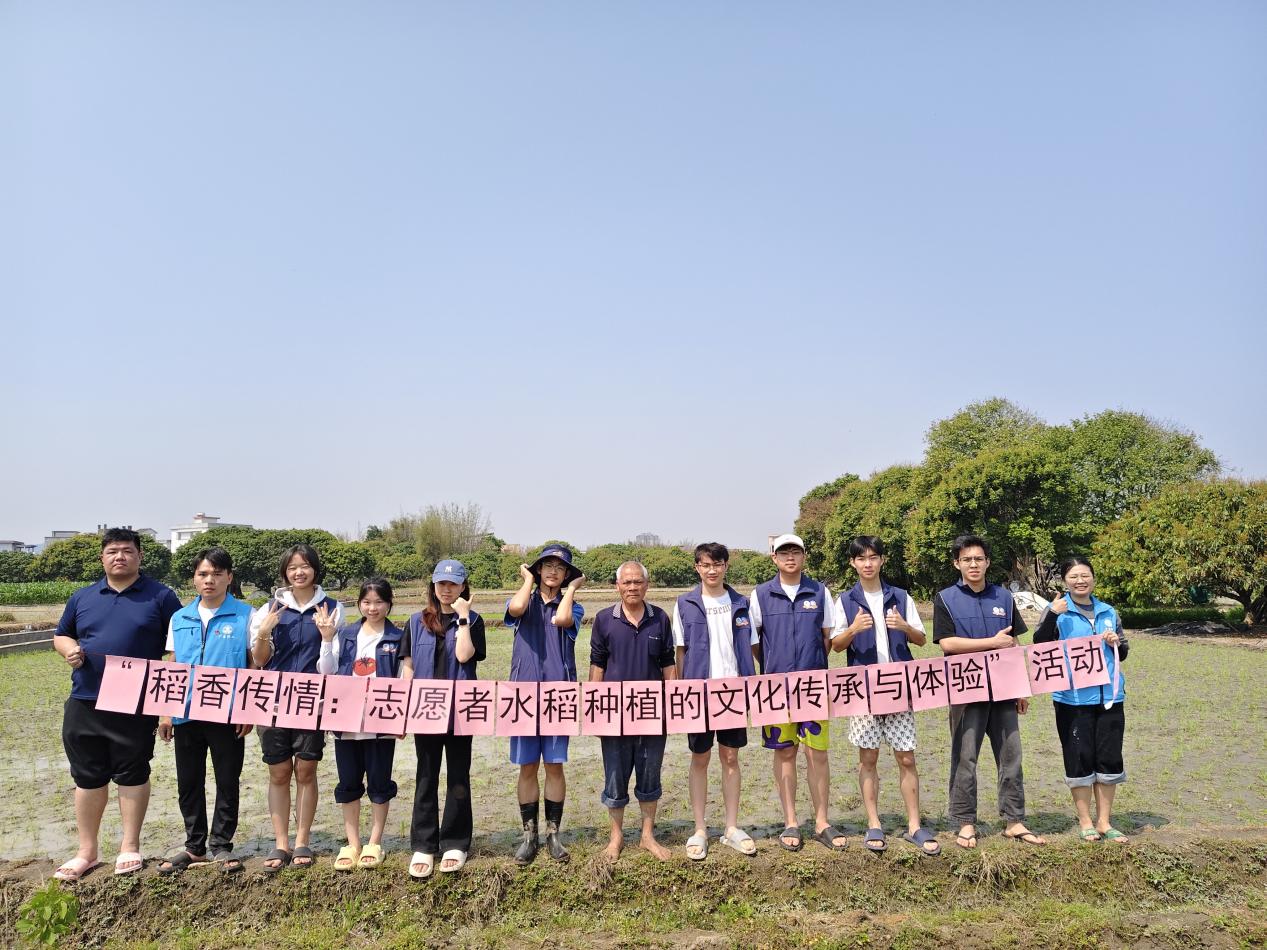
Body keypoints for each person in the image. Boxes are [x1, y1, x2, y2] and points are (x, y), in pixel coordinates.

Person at [52, 528, 182, 880]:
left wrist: (166, 707)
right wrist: (69, 649)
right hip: (85, 699)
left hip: (135, 701)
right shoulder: (83, 597)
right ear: (102, 558)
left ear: (140, 556)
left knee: (132, 772)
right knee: (87, 777)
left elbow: (177, 650)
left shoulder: (161, 597)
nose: (119, 557)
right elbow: (61, 634)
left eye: (127, 550)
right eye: (112, 551)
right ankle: (87, 851)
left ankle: (129, 846)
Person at [932, 533, 1045, 848]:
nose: (973, 564)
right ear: (956, 564)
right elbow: (947, 643)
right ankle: (965, 822)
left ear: (987, 562)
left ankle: (1014, 820)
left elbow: (1015, 643)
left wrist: (1022, 687)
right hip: (966, 690)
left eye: (978, 559)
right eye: (966, 559)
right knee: (965, 756)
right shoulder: (946, 598)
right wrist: (991, 643)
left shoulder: (1004, 597)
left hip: (1004, 689)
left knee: (1011, 755)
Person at [831, 536, 940, 856]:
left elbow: (921, 639)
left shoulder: (901, 597)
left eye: (873, 557)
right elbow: (836, 645)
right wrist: (853, 629)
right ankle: (874, 823)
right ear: (853, 563)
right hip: (863, 691)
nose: (868, 563)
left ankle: (914, 825)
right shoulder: (845, 600)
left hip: (899, 688)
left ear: (882, 560)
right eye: (861, 558)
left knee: (906, 757)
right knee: (868, 758)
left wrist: (904, 626)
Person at [156, 546, 255, 875]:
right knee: (189, 780)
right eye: (203, 574)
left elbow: (253, 665)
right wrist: (166, 712)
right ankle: (194, 846)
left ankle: (222, 844)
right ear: (194, 579)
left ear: (229, 577)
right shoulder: (179, 617)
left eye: (216, 573)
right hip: (186, 712)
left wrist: (247, 710)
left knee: (227, 779)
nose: (209, 580)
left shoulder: (246, 615)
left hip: (227, 713)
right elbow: (173, 665)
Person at [250, 543, 345, 871]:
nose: (299, 572)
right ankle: (281, 843)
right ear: (284, 573)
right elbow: (259, 661)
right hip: (273, 702)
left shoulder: (332, 608)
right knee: (278, 772)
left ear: (315, 569)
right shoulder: (269, 609)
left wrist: (327, 637)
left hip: (311, 700)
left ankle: (302, 840)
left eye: (304, 566)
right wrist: (264, 632)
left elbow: (331, 669)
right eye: (292, 567)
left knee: (306, 770)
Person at [750, 533, 845, 853]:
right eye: (783, 552)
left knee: (817, 753)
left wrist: (810, 663)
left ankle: (822, 822)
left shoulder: (819, 591)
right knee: (784, 752)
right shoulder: (760, 595)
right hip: (775, 688)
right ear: (774, 558)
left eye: (796, 552)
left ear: (804, 556)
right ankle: (790, 821)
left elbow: (827, 638)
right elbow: (755, 642)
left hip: (814, 686)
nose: (790, 557)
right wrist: (774, 665)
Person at [672, 542, 759, 860]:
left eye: (718, 564)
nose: (712, 570)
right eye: (706, 564)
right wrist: (684, 693)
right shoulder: (684, 604)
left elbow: (752, 647)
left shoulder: (741, 603)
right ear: (697, 567)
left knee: (731, 757)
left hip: (733, 691)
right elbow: (680, 651)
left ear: (726, 566)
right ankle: (699, 829)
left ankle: (732, 827)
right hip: (699, 693)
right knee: (700, 757)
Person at [400, 559, 487, 878]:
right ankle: (424, 844)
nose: (447, 589)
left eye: (453, 584)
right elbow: (407, 669)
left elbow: (464, 655)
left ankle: (455, 842)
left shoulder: (474, 621)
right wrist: (401, 713)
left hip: (461, 710)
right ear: (433, 586)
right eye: (441, 584)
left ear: (463, 586)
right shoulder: (414, 622)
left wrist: (463, 617)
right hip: (425, 710)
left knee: (459, 775)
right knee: (425, 775)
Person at [1033, 556, 1130, 843]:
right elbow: (1040, 646)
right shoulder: (1058, 610)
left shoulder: (1108, 611)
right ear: (1065, 581)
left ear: (1093, 578)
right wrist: (1052, 613)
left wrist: (1115, 642)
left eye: (1085, 575)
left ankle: (1104, 822)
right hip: (1072, 699)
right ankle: (1085, 820)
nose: (1080, 581)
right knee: (1079, 758)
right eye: (1073, 576)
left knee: (1109, 758)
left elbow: (1123, 652)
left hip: (1110, 697)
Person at [589, 561, 677, 861]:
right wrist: (594, 711)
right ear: (618, 586)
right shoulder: (604, 619)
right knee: (615, 776)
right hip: (614, 715)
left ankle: (647, 836)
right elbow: (597, 663)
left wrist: (673, 705)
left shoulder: (660, 618)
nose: (632, 587)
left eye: (638, 582)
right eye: (626, 582)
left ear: (647, 585)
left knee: (650, 775)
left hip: (652, 714)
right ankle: (616, 837)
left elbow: (668, 663)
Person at [505, 544, 585, 864]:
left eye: (560, 567)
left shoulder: (573, 607)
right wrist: (527, 581)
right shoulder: (524, 600)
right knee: (527, 766)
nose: (553, 571)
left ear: (567, 574)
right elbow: (515, 609)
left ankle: (553, 834)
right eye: (547, 565)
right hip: (523, 695)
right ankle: (529, 835)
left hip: (558, 694)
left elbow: (562, 618)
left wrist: (572, 590)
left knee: (554, 765)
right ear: (538, 570)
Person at [316, 578, 402, 871]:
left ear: (389, 604)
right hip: (346, 719)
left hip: (381, 721)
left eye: (379, 602)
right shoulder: (345, 634)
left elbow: (403, 679)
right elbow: (326, 671)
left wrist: (400, 719)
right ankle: (352, 843)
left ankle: (374, 842)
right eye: (366, 602)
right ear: (359, 604)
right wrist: (327, 639)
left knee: (380, 783)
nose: (372, 608)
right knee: (348, 783)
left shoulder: (398, 637)